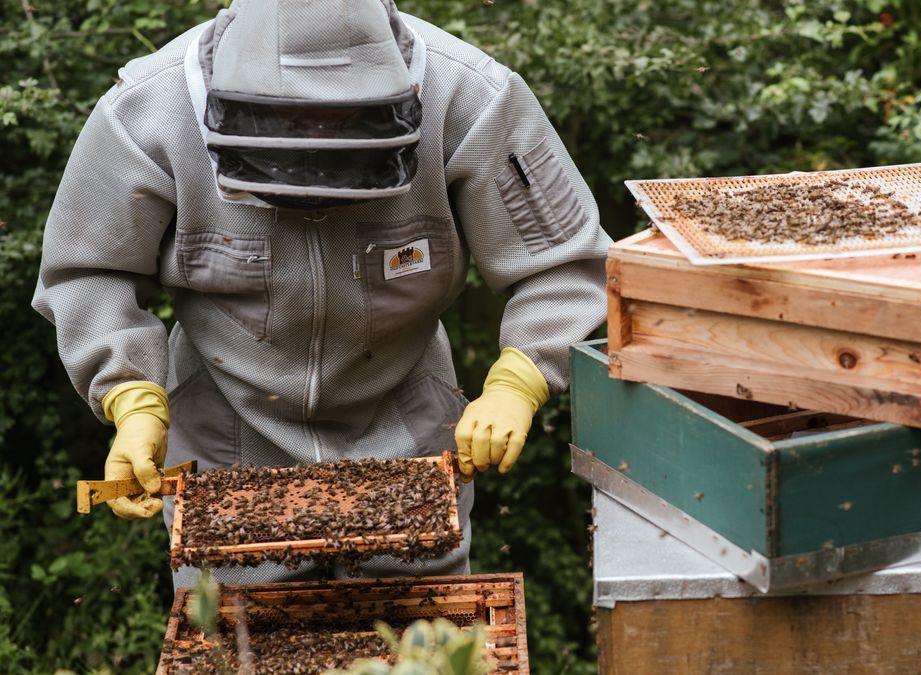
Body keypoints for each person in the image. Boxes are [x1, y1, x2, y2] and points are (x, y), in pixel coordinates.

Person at [31, 0, 610, 584]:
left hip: (407, 429)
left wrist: (520, 378)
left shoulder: (469, 97)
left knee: (420, 633)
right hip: (224, 439)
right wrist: (130, 393)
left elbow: (564, 264)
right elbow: (90, 273)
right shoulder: (149, 110)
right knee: (234, 632)